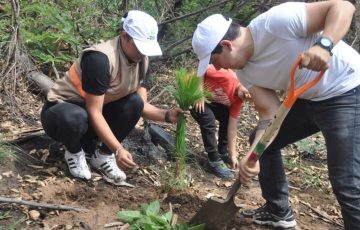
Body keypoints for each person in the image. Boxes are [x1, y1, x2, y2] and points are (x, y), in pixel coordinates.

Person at [192, 1, 359, 229]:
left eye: (215, 61)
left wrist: (324, 45)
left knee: (346, 181)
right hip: (309, 98)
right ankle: (278, 210)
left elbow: (343, 7)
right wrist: (251, 156)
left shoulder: (276, 22)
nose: (218, 69)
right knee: (262, 144)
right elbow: (269, 114)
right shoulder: (244, 72)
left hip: (347, 90)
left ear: (226, 45)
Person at [41, 10, 182, 182]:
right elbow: (94, 111)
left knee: (134, 102)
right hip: (62, 115)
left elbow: (141, 106)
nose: (142, 53)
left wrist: (167, 115)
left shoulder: (142, 61)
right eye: (138, 46)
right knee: (76, 117)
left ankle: (102, 156)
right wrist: (118, 149)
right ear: (124, 36)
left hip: (91, 118)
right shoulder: (100, 59)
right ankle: (74, 152)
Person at [190, 64, 250, 179]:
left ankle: (222, 152)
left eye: (250, 97)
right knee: (208, 120)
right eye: (248, 91)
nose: (248, 96)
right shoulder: (227, 77)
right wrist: (199, 93)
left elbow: (232, 128)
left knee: (227, 118)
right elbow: (202, 67)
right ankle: (213, 161)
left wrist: (233, 155)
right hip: (195, 96)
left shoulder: (238, 100)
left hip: (211, 101)